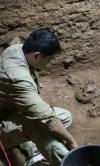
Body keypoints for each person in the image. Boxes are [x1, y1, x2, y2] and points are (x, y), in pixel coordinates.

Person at [0, 28, 78, 166]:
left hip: (12, 111)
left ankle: (24, 145)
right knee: (40, 127)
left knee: (65, 117)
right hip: (2, 122)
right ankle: (68, 162)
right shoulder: (18, 78)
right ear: (37, 56)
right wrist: (72, 142)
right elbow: (47, 119)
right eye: (48, 59)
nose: (48, 63)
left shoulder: (17, 49)